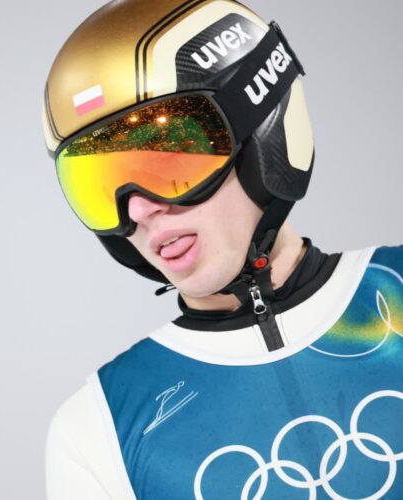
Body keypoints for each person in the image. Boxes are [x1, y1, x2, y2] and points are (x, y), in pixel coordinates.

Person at [41, 0, 403, 498]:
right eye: (99, 187)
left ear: (262, 136)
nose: (140, 209)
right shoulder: (98, 428)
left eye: (170, 160)